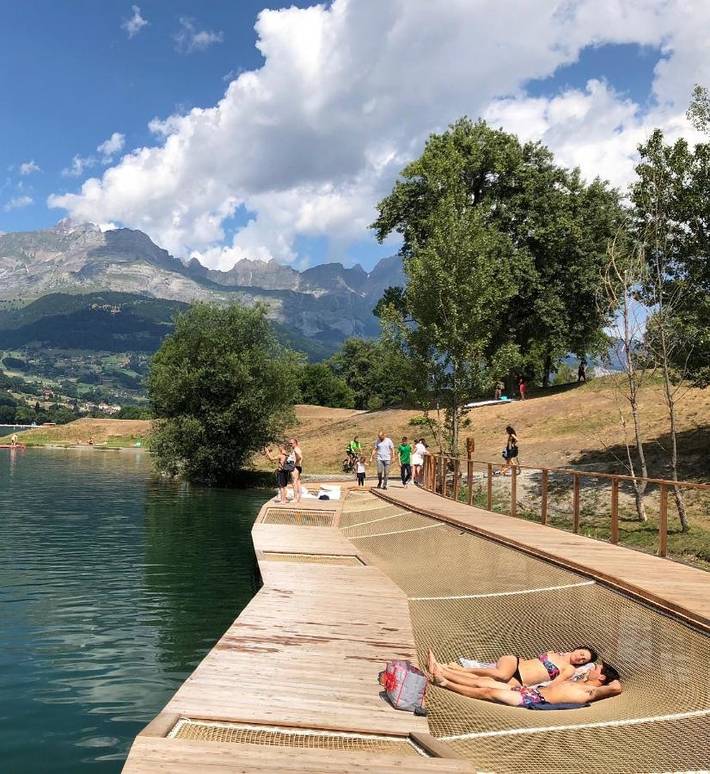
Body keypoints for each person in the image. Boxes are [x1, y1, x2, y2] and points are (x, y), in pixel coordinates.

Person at [428, 652, 621, 708]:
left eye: (596, 668)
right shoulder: (582, 683)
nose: (590, 668)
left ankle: (445, 682)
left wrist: (608, 682)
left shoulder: (592, 691)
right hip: (530, 691)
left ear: (602, 677)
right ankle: (443, 673)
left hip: (535, 699)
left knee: (488, 691)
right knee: (484, 683)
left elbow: (616, 687)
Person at [449, 647, 598, 686]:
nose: (580, 657)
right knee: (502, 675)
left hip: (521, 681)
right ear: (578, 649)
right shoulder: (553, 653)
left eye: (583, 660)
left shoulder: (569, 669)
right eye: (582, 653)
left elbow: (555, 683)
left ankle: (448, 673)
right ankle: (462, 669)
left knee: (485, 682)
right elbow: (534, 662)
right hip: (514, 663)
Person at [289, 437, 303, 504]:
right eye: (290, 444)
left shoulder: (296, 450)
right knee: (298, 483)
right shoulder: (297, 449)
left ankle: (295, 498)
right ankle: (299, 498)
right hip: (298, 467)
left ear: (295, 443)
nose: (290, 445)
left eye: (291, 443)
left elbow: (299, 457)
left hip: (295, 467)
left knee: (294, 483)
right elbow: (301, 457)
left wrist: (294, 464)